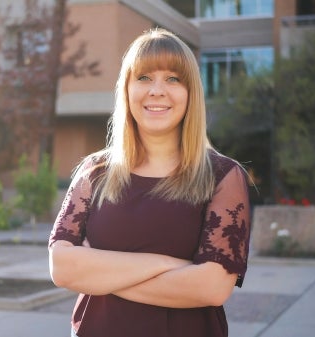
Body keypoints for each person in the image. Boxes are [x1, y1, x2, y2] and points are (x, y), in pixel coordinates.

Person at [48, 28, 251, 337]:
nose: (157, 90)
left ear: (191, 93)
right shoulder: (94, 171)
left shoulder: (223, 176)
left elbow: (211, 288)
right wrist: (170, 265)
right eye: (144, 78)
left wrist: (99, 273)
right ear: (126, 89)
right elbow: (62, 268)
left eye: (173, 79)